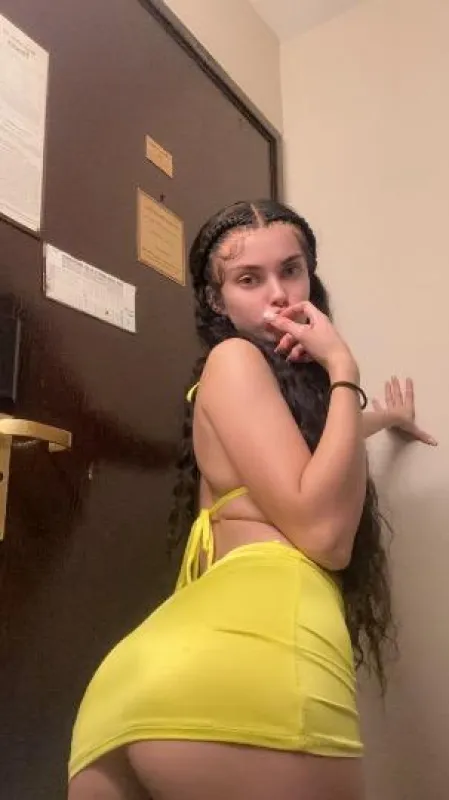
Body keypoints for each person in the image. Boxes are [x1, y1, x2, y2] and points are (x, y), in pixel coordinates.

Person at [68, 200, 436, 800]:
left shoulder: (262, 391)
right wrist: (342, 365)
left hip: (136, 687)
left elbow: (322, 450)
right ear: (217, 301)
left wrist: (386, 416)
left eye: (291, 270)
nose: (279, 294)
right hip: (252, 670)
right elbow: (325, 537)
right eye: (248, 279)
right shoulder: (234, 359)